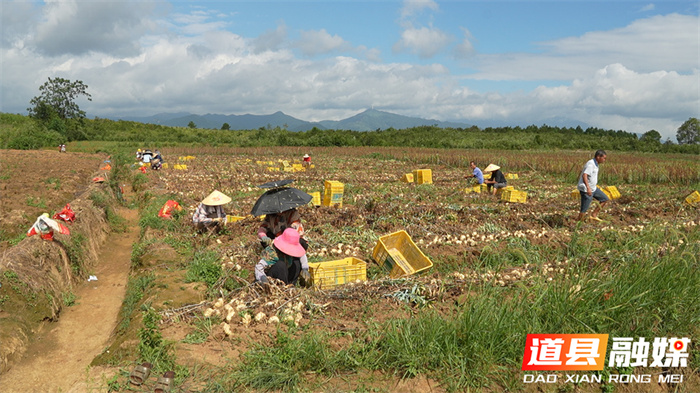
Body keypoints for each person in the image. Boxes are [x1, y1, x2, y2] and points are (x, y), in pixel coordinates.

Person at [577, 150, 609, 222]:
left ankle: (594, 215)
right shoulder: (591, 164)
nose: (604, 160)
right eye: (603, 158)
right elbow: (584, 175)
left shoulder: (596, 164)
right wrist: (588, 188)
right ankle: (578, 223)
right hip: (586, 189)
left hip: (593, 188)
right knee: (584, 209)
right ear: (598, 157)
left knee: (604, 199)